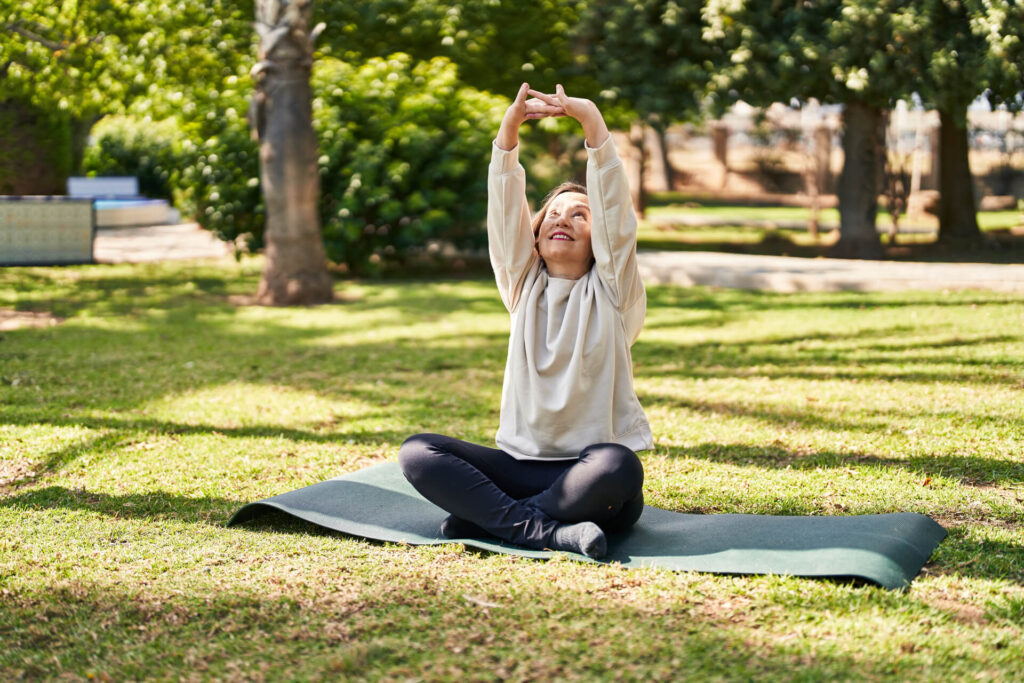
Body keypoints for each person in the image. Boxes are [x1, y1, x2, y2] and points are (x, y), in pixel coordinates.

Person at [399, 83, 652, 559]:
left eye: (580, 215)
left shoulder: (616, 293)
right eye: (553, 213)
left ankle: (492, 519)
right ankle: (544, 532)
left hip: (591, 475)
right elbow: (503, 212)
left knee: (620, 465)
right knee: (418, 452)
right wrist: (509, 131)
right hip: (519, 467)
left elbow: (616, 212)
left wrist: (592, 120)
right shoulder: (521, 286)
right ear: (534, 238)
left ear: (600, 239)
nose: (564, 219)